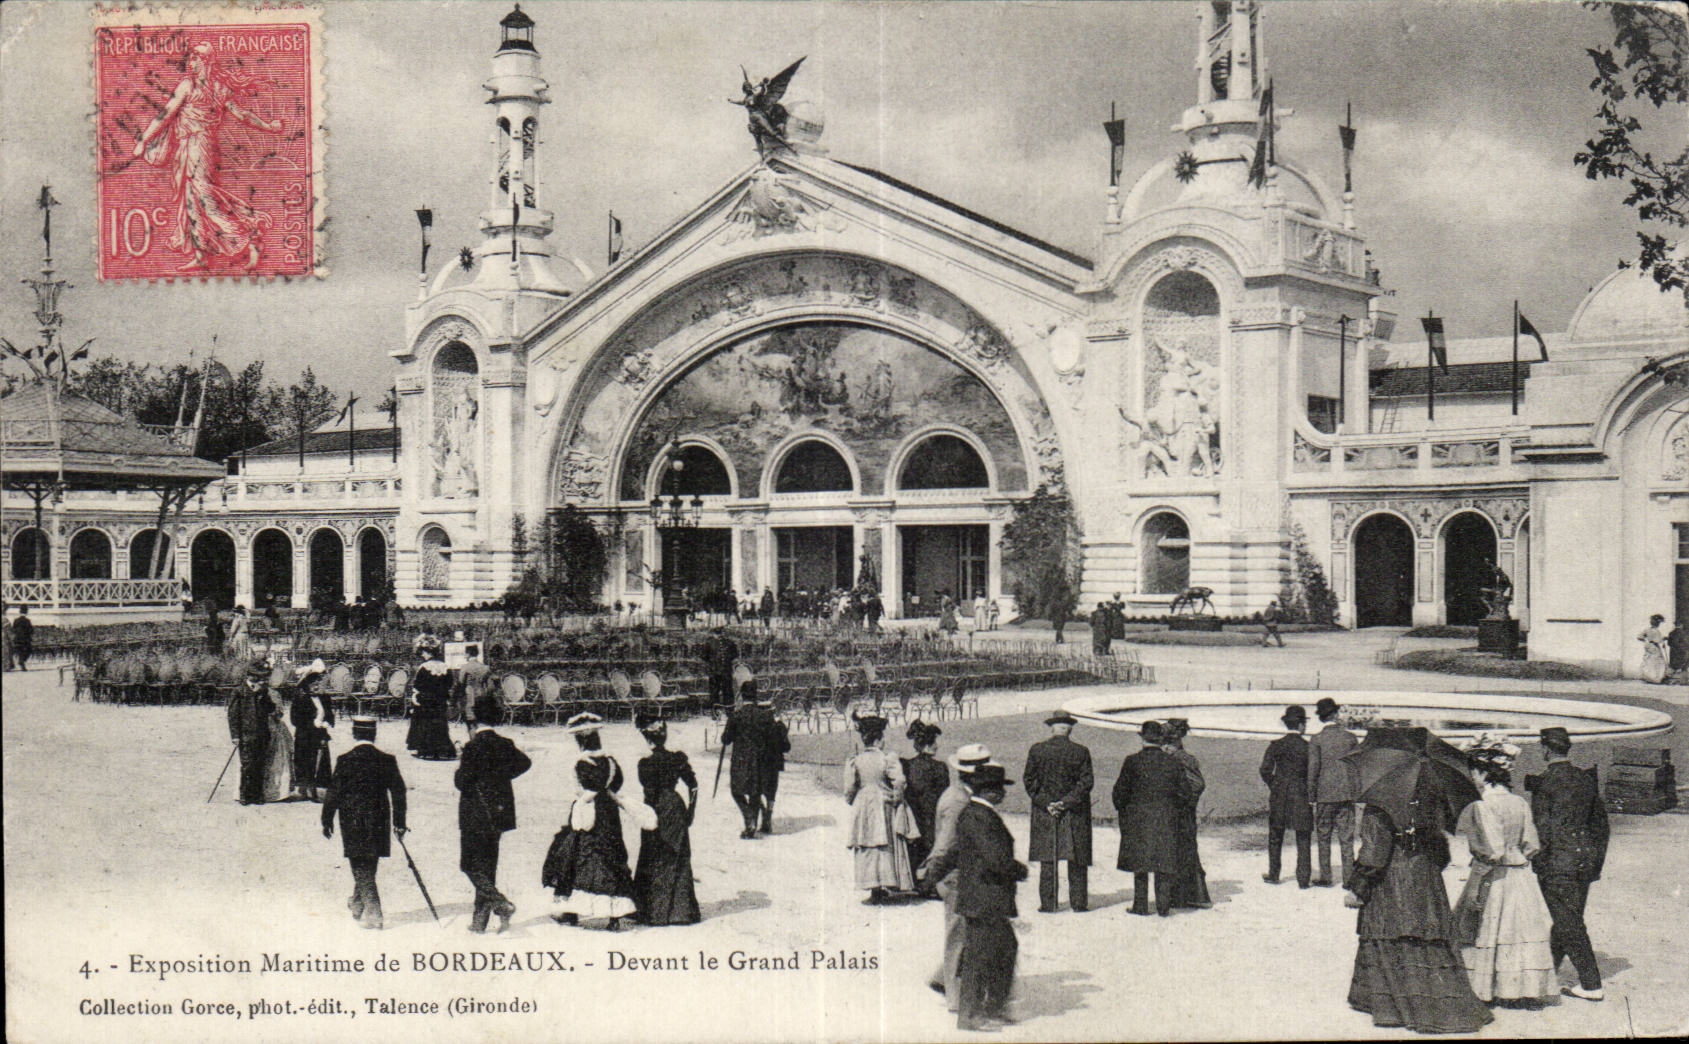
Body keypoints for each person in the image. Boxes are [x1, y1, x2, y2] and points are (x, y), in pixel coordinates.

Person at [1344, 772, 1493, 1033]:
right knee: (1426, 939)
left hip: (1392, 882)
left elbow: (1374, 855)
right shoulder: (1430, 799)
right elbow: (1443, 854)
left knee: (1391, 934)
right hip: (1426, 881)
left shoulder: (1380, 803)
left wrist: (1358, 888)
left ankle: (1395, 1007)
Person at [131, 41, 282, 271]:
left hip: (198, 146)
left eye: (195, 59)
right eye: (190, 59)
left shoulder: (200, 88)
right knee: (191, 199)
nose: (190, 63)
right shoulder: (202, 86)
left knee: (204, 198)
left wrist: (143, 141)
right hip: (189, 147)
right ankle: (201, 255)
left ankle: (248, 237)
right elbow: (166, 115)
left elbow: (242, 114)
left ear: (206, 62)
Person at [1451, 735, 1556, 1005]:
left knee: (1487, 930)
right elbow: (1532, 844)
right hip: (1520, 876)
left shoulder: (1481, 804)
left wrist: (1475, 881)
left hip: (1493, 877)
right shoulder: (1519, 802)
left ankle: (1487, 989)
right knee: (1518, 933)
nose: (1471, 776)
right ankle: (1519, 990)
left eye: (1473, 771)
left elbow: (1490, 851)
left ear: (1485, 773)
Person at [923, 763, 1026, 1032]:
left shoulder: (976, 813)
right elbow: (994, 858)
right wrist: (1017, 869)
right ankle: (969, 1016)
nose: (1003, 794)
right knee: (980, 957)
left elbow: (959, 854)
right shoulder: (979, 815)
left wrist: (932, 873)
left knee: (1004, 948)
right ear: (989, 791)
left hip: (986, 897)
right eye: (1000, 789)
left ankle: (992, 1006)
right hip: (984, 897)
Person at [1531, 726, 1610, 1002]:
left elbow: (1543, 830)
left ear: (1545, 749)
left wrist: (1538, 861)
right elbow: (1601, 826)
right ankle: (1545, 973)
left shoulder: (1544, 783)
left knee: (1568, 921)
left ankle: (1591, 984)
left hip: (1558, 863)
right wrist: (1595, 861)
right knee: (1567, 917)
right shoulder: (1586, 779)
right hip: (1584, 861)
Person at [547, 713, 641, 930]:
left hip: (587, 812)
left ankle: (572, 912)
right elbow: (615, 785)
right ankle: (614, 916)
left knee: (578, 857)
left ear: (580, 740)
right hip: (609, 812)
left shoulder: (582, 762)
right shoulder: (611, 761)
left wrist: (586, 797)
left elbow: (589, 787)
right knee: (612, 856)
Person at [920, 743, 994, 1011]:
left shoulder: (963, 795)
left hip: (966, 873)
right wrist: (932, 876)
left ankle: (943, 979)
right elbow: (946, 845)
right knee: (959, 935)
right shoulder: (957, 801)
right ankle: (956, 998)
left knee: (966, 931)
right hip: (956, 875)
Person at [322, 716, 408, 930]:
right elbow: (399, 792)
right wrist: (399, 822)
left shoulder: (345, 760)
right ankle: (357, 902)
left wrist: (326, 819)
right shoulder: (387, 759)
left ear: (354, 733)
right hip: (379, 821)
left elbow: (333, 793)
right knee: (368, 864)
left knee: (360, 865)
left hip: (352, 821)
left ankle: (374, 913)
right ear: (374, 734)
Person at [455, 698, 530, 934]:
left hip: (475, 812)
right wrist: (501, 777)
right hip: (499, 813)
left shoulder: (472, 746)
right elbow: (525, 763)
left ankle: (500, 904)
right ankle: (479, 922)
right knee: (488, 865)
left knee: (469, 865)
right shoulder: (505, 743)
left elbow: (462, 782)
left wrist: (461, 761)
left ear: (475, 719)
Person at [632, 714, 701, 926]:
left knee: (654, 856)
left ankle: (653, 911)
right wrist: (691, 811)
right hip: (676, 807)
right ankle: (682, 912)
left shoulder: (645, 763)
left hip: (657, 809)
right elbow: (694, 785)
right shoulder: (677, 758)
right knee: (678, 856)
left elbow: (650, 794)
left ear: (647, 739)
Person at [1112, 720, 1185, 916]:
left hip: (1139, 818)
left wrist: (1125, 812)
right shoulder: (1173, 762)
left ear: (1142, 738)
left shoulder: (1132, 761)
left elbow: (1119, 793)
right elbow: (1184, 793)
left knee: (1140, 864)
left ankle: (1140, 905)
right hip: (1166, 818)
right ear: (1161, 739)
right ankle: (1163, 907)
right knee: (1163, 862)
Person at [845, 713, 918, 903]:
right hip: (882, 803)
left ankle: (874, 887)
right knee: (885, 843)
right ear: (878, 739)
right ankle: (886, 882)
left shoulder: (856, 760)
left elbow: (849, 788)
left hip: (864, 803)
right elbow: (899, 781)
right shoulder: (887, 758)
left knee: (868, 842)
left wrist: (853, 799)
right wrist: (897, 799)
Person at [1024, 710, 1093, 913]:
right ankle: (1079, 903)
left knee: (1048, 857)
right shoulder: (1081, 751)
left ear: (1052, 728)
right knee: (1077, 858)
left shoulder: (1037, 750)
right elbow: (1086, 782)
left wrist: (1048, 803)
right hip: (1074, 811)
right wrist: (1066, 802)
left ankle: (1049, 903)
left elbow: (1029, 781)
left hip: (1045, 811)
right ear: (1069, 729)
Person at [720, 682, 789, 837]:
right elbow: (773, 738)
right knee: (755, 793)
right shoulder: (765, 716)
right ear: (756, 695)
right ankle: (755, 821)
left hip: (741, 762)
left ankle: (749, 819)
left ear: (742, 696)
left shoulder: (736, 716)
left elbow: (726, 739)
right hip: (760, 761)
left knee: (736, 791)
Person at [1307, 696, 1359, 887]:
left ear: (1321, 718)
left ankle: (1326, 876)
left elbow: (1313, 769)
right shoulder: (1350, 738)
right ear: (1336, 715)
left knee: (1324, 836)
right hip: (1346, 794)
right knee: (1346, 838)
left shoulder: (1317, 740)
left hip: (1324, 794)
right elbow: (1357, 767)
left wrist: (1311, 795)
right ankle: (1349, 878)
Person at [1260, 704, 1313, 888]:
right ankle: (1303, 879)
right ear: (1300, 725)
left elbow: (1265, 770)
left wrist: (1275, 784)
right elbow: (1313, 773)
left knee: (1275, 834)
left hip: (1279, 795)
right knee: (1303, 836)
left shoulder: (1276, 745)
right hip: (1301, 795)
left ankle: (1274, 874)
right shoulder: (1308, 747)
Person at [1161, 718, 1211, 909]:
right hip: (1180, 812)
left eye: (1165, 744)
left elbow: (1198, 784)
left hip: (1182, 813)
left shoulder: (1182, 759)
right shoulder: (1177, 758)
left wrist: (1182, 803)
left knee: (1186, 851)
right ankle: (1184, 896)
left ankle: (1193, 896)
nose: (1163, 748)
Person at [901, 720, 949, 895]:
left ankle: (913, 880)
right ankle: (932, 884)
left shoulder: (907, 765)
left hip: (913, 813)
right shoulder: (940, 768)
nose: (937, 746)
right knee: (934, 845)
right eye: (934, 742)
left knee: (915, 845)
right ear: (928, 745)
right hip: (932, 813)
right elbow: (944, 794)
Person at [227, 658, 275, 806]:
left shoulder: (263, 691)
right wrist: (235, 735)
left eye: (263, 677)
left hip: (262, 734)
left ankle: (258, 795)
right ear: (250, 676)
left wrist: (262, 696)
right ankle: (245, 794)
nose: (261, 679)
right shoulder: (239, 691)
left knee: (260, 764)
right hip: (246, 735)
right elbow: (233, 715)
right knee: (248, 765)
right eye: (258, 676)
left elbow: (271, 709)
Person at [288, 659, 334, 801]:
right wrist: (312, 723)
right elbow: (295, 720)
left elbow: (330, 715)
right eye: (313, 684)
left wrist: (326, 722)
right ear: (306, 685)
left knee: (319, 763)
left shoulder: (325, 698)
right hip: (305, 736)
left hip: (320, 735)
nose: (316, 687)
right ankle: (305, 788)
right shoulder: (300, 699)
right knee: (305, 762)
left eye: (318, 684)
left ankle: (315, 789)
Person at [406, 638, 457, 761]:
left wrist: (417, 696)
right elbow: (449, 683)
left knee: (426, 723)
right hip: (440, 700)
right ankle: (442, 750)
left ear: (429, 652)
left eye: (423, 652)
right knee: (440, 723)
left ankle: (426, 751)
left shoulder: (424, 667)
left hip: (426, 700)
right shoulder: (445, 667)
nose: (422, 654)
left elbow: (418, 684)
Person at [260, 668, 294, 804]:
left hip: (273, 728)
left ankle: (276, 792)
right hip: (260, 729)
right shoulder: (255, 693)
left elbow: (279, 713)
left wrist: (272, 713)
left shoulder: (274, 694)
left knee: (276, 760)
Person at [700, 628, 739, 711]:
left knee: (716, 691)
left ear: (714, 633)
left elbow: (704, 656)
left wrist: (712, 662)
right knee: (726, 691)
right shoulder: (729, 642)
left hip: (715, 671)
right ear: (722, 633)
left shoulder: (709, 643)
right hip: (724, 671)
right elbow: (735, 655)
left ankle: (716, 711)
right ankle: (729, 711)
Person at [456, 647, 493, 734]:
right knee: (481, 723)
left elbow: (460, 683)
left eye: (465, 653)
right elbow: (491, 687)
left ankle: (474, 744)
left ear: (468, 654)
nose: (465, 655)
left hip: (469, 696)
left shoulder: (465, 667)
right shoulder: (485, 667)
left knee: (471, 723)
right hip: (482, 696)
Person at [1637, 613, 1669, 683]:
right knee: (1658, 661)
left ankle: (1646, 676)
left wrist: (1646, 640)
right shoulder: (1656, 631)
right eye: (1659, 623)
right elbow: (1658, 640)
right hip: (1654, 647)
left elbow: (1639, 637)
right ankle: (1656, 678)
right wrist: (1665, 639)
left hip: (1648, 646)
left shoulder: (1647, 629)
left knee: (1648, 660)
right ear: (1657, 623)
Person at [1668, 618, 1688, 683]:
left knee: (1673, 666)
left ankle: (1671, 679)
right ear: (1681, 625)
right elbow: (1687, 643)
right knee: (1684, 666)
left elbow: (1669, 643)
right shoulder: (1684, 633)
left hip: (1673, 653)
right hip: (1682, 652)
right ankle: (1683, 681)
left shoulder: (1671, 633)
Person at [9, 605, 30, 670]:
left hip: (17, 640)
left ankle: (13, 664)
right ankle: (22, 662)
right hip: (25, 640)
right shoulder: (27, 621)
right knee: (28, 650)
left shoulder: (16, 620)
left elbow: (13, 629)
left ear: (20, 611)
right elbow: (30, 630)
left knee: (17, 651)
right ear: (26, 612)